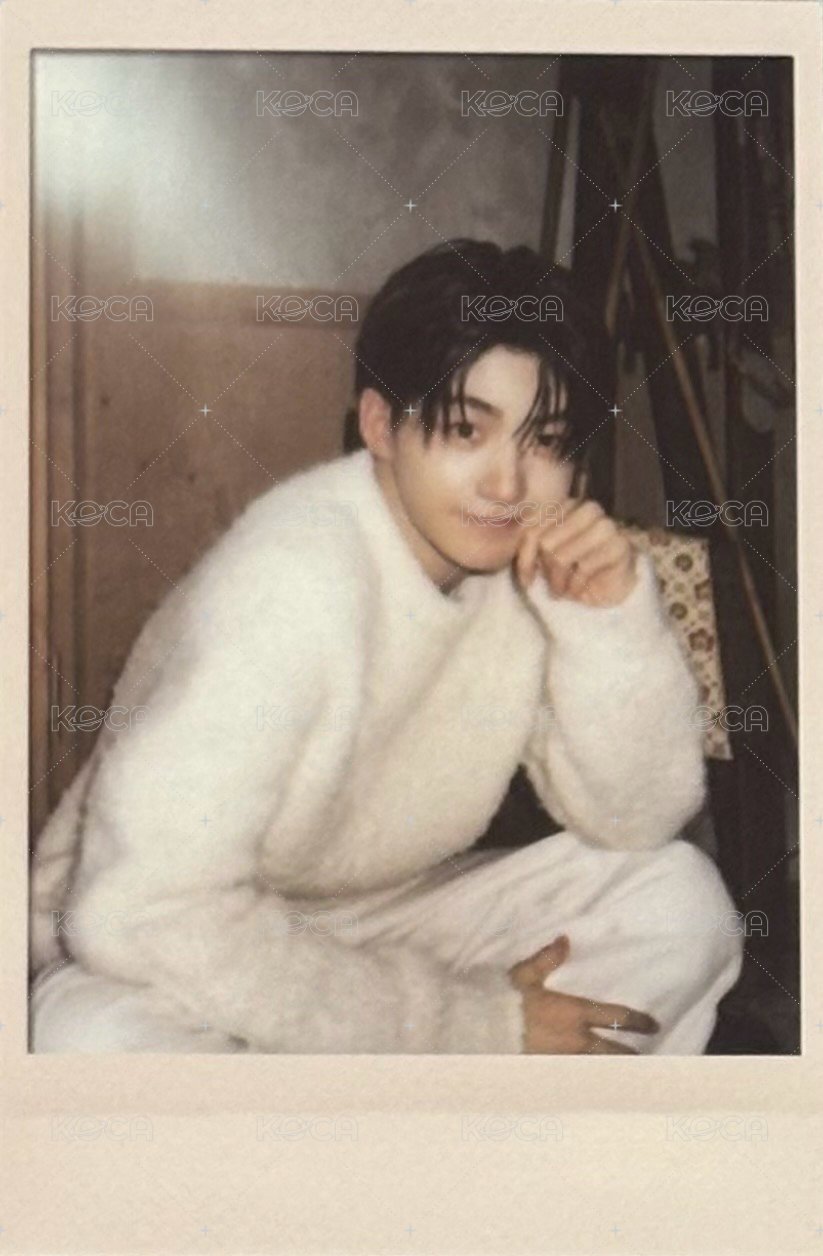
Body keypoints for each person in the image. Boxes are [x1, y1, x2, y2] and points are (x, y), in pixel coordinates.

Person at [29, 239, 743, 1054]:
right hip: (160, 932)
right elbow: (139, 912)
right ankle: (412, 1119)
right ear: (379, 425)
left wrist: (608, 622)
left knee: (678, 903)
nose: (506, 485)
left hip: (380, 917)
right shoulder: (289, 582)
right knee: (90, 1040)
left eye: (544, 441)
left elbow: (636, 820)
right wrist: (473, 1024)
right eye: (465, 430)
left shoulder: (526, 569)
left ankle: (403, 1113)